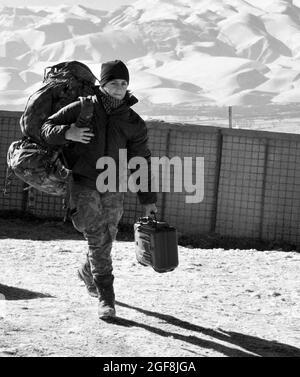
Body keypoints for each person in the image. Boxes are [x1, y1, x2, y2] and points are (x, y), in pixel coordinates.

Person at [40, 60, 157, 319]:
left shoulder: (132, 121)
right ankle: (106, 297)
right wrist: (67, 132)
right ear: (103, 84)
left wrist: (148, 199)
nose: (119, 87)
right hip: (82, 180)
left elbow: (141, 161)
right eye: (114, 82)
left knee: (109, 236)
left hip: (113, 183)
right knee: (96, 235)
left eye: (124, 83)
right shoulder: (83, 107)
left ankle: (86, 271)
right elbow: (45, 129)